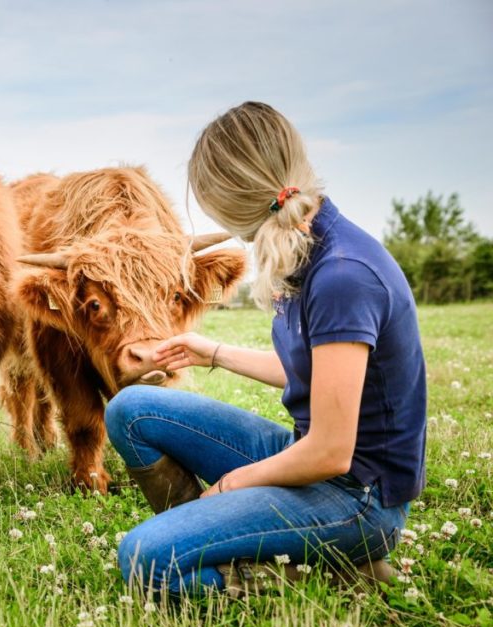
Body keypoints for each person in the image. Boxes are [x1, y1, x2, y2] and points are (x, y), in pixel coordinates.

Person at [107, 101, 426, 596]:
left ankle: (329, 563)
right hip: (309, 459)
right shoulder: (311, 244)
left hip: (357, 499)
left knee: (144, 560)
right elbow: (315, 373)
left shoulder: (343, 275)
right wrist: (210, 352)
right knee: (131, 410)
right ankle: (223, 535)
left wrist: (235, 484)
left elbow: (331, 452)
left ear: (227, 204)